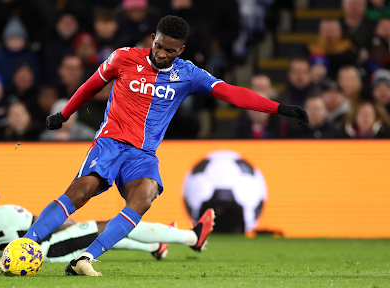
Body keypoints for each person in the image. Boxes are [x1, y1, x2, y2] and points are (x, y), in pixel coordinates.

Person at [24, 15, 308, 277]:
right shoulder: (123, 58)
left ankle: (85, 259)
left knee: (144, 197)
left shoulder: (189, 74)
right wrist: (63, 114)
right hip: (110, 142)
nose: (162, 54)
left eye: (170, 51)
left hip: (143, 154)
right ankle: (24, 245)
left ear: (181, 50)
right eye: (159, 46)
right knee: (82, 191)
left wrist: (279, 108)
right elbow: (91, 85)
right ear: (152, 38)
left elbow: (232, 93)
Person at [0, 179, 213, 262]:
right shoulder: (6, 212)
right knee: (116, 225)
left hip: (40, 255)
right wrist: (76, 225)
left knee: (101, 235)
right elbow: (47, 223)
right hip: (49, 251)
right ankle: (192, 238)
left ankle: (154, 246)